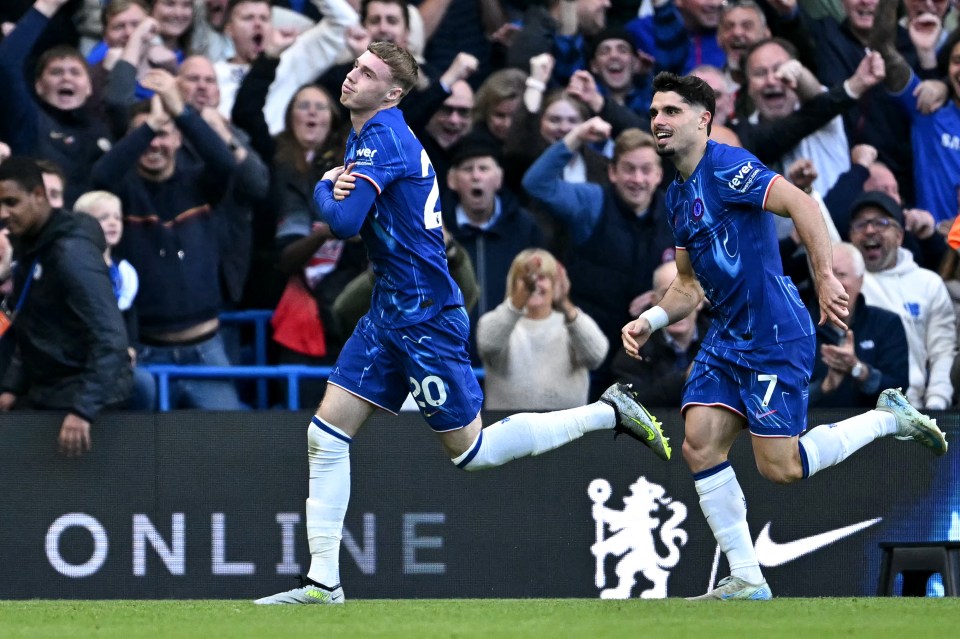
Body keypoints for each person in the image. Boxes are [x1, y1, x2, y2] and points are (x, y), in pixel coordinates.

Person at [254, 41, 672, 605]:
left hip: (424, 313)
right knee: (325, 436)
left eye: (367, 73)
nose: (352, 76)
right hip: (390, 309)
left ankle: (605, 412)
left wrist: (325, 187)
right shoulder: (367, 133)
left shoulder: (384, 136)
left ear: (394, 94)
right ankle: (323, 582)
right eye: (355, 66)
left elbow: (345, 220)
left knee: (472, 453)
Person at [622, 72, 948, 600]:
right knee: (700, 445)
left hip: (774, 332)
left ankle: (888, 417)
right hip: (729, 335)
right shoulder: (678, 197)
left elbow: (802, 204)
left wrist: (823, 276)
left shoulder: (729, 167)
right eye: (655, 112)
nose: (658, 121)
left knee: (782, 468)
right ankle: (748, 577)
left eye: (671, 111)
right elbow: (686, 285)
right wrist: (652, 320)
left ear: (703, 119)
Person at [0, 156, 132, 457]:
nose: (3, 213)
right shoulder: (33, 245)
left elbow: (111, 337)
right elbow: (34, 325)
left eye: (11, 202)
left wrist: (83, 410)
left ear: (38, 195)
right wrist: (10, 387)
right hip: (50, 392)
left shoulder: (71, 254)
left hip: (86, 404)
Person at [847, 190, 956, 410]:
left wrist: (936, 404)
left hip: (913, 408)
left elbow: (942, 351)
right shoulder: (844, 281)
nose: (869, 230)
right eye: (861, 224)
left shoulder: (928, 283)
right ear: (850, 236)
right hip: (852, 409)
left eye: (881, 222)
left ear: (899, 236)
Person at [477, 248, 608, 410]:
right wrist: (517, 302)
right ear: (513, 284)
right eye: (525, 279)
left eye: (542, 277)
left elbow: (596, 357)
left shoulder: (573, 323)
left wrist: (565, 305)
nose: (534, 284)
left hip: (567, 431)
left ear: (556, 284)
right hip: (509, 430)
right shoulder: (497, 321)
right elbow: (488, 345)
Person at [72, 189, 157, 410]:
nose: (112, 223)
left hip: (116, 360)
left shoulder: (125, 272)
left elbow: (129, 318)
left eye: (117, 217)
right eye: (103, 217)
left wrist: (130, 348)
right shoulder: (71, 267)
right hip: (80, 358)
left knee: (143, 384)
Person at [808, 242, 909, 408]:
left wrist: (860, 371)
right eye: (826, 276)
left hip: (874, 430)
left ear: (860, 281)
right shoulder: (797, 327)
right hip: (811, 427)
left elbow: (899, 391)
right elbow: (782, 399)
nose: (833, 284)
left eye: (841, 274)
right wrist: (824, 388)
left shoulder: (887, 324)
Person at [610, 259, 710, 408]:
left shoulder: (721, 341)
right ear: (654, 301)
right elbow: (624, 404)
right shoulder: (635, 346)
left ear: (700, 301)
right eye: (666, 296)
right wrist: (684, 380)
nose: (676, 306)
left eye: (685, 296)